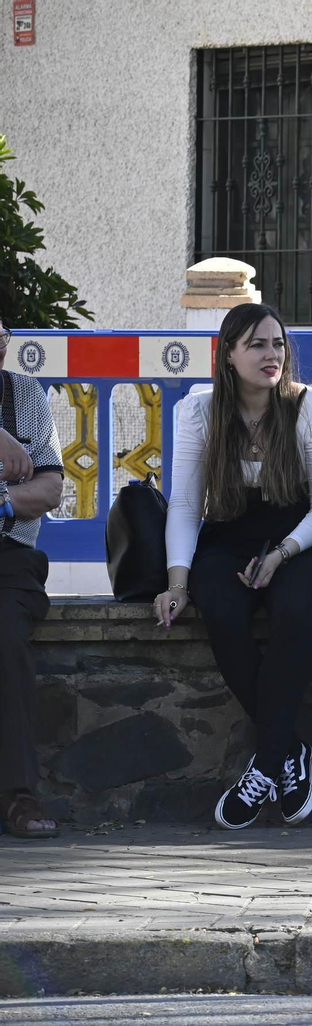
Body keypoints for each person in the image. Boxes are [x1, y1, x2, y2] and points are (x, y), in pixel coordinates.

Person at [157, 303, 312, 830]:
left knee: (293, 604)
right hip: (231, 538)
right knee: (218, 605)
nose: (273, 356)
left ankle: (267, 762)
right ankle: (289, 751)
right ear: (226, 355)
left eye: (278, 344)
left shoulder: (310, 407)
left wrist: (282, 553)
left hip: (309, 543)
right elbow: (184, 507)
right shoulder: (199, 412)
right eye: (257, 345)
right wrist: (177, 581)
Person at [0, 317, 65, 839]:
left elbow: (47, 490)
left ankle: (20, 796)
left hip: (9, 555)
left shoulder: (25, 394)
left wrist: (3, 502)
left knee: (6, 637)